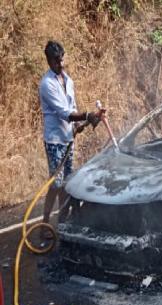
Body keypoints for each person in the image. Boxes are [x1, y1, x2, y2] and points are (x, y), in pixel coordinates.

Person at [39, 40, 101, 239]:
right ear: (48, 61)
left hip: (67, 139)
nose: (60, 64)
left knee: (67, 183)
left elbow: (72, 110)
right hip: (55, 140)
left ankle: (62, 223)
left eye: (61, 59)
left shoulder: (69, 81)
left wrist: (84, 124)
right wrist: (86, 115)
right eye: (56, 61)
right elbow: (64, 113)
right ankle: (44, 225)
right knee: (55, 184)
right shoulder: (47, 84)